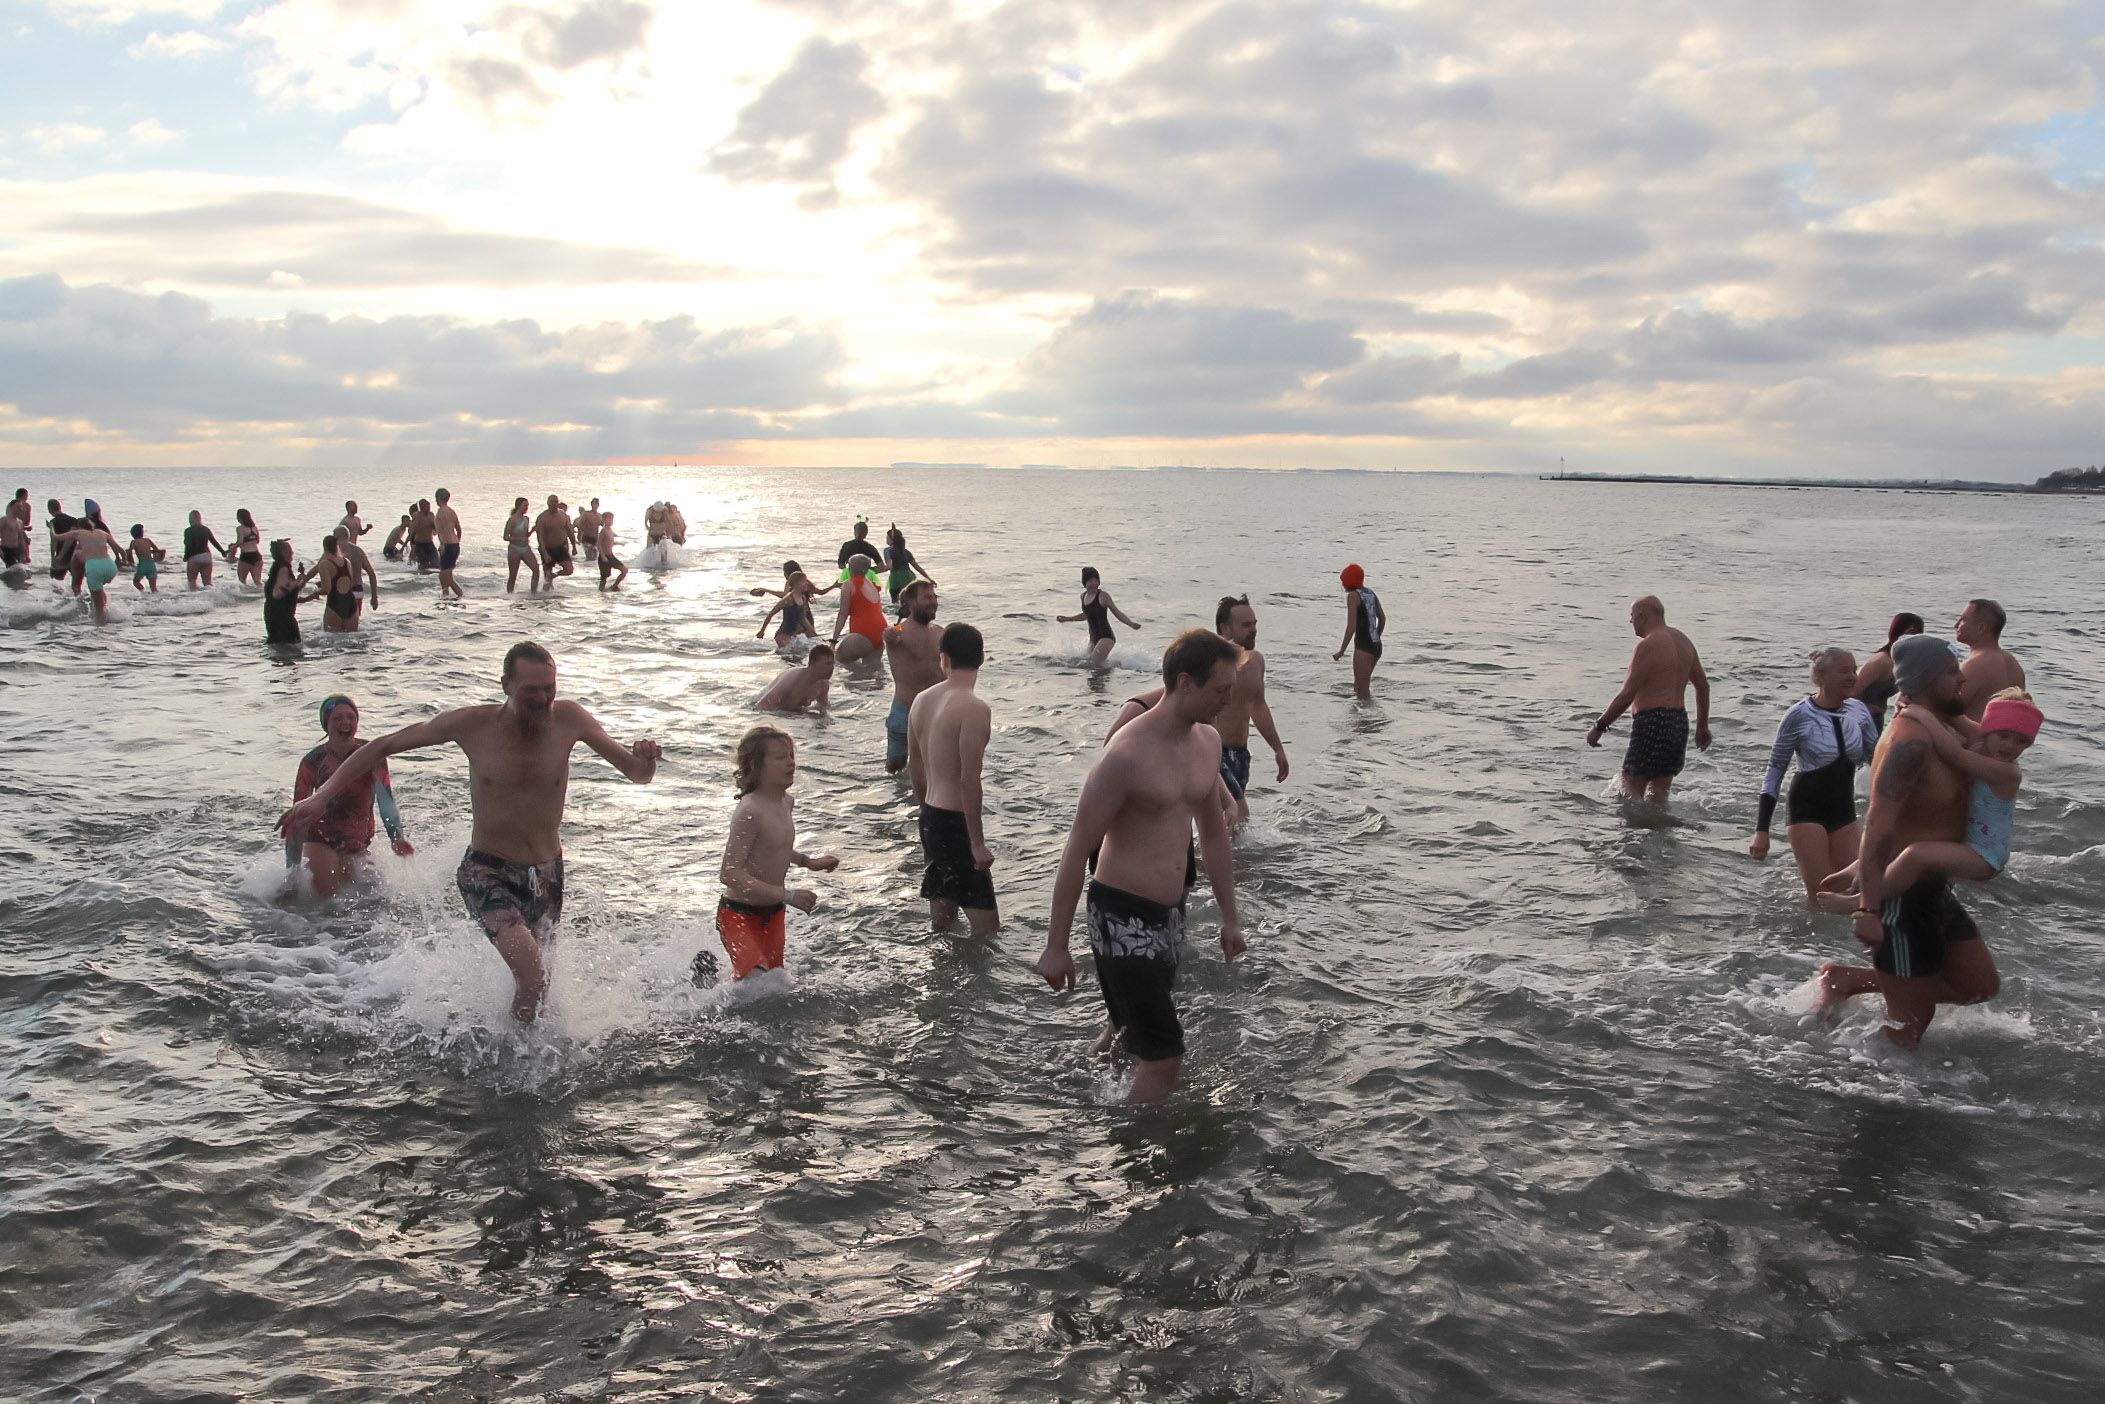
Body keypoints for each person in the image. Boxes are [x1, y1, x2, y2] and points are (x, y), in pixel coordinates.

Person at [277, 642, 662, 1023]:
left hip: (547, 873)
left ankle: (519, 1047)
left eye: (550, 689)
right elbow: (383, 746)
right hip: (486, 872)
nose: (542, 699)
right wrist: (320, 797)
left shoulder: (570, 719)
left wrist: (646, 761)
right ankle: (521, 1064)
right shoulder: (473, 725)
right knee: (534, 976)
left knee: (539, 987)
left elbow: (635, 774)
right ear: (506, 685)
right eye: (531, 691)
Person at [1035, 629, 1246, 1104]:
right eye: (1221, 690)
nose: (1228, 701)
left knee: (1131, 1027)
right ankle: (1136, 1156)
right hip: (1120, 915)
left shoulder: (1207, 743)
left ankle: (1083, 1083)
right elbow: (1076, 850)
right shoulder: (1126, 755)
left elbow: (1212, 836)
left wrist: (1230, 920)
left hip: (1170, 915)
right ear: (1186, 683)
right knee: (1164, 1057)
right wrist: (1056, 946)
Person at [1814, 635, 2002, 1047]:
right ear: (1927, 679)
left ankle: (1848, 979)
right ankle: (1872, 1097)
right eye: (1952, 672)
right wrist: (1867, 909)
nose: (1962, 680)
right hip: (1902, 899)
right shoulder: (1911, 742)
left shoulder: (1940, 729)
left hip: (1933, 887)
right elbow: (1879, 823)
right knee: (1909, 1025)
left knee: (1978, 985)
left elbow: (1989, 743)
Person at [1748, 648, 1879, 902]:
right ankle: (1813, 943)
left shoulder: (1859, 711)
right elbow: (1775, 770)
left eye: (1854, 670)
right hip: (1806, 810)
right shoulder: (1798, 716)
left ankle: (1849, 942)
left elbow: (1877, 756)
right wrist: (1761, 830)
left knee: (1855, 890)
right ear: (1820, 674)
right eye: (1844, 671)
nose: (1852, 676)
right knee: (1822, 895)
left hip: (1843, 809)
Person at [713, 726, 838, 982]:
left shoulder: (785, 802)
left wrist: (808, 862)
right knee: (757, 986)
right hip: (738, 913)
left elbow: (773, 846)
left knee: (774, 984)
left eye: (791, 755)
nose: (790, 762)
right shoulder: (749, 810)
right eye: (780, 757)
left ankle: (709, 976)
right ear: (756, 765)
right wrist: (788, 895)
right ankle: (703, 983)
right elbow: (729, 873)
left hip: (773, 913)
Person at [908, 623, 997, 937]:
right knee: (988, 932)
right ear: (982, 658)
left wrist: (926, 815)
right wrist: (977, 843)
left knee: (942, 925)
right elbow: (968, 780)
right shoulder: (974, 709)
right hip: (956, 825)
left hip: (930, 817)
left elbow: (913, 765)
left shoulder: (921, 700)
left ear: (942, 658)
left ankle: (939, 979)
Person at [285, 695, 413, 898]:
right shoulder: (312, 761)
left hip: (357, 845)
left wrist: (396, 838)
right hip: (321, 841)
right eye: (338, 718)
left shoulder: (372, 755)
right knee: (330, 905)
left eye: (351, 717)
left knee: (373, 901)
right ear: (326, 724)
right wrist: (291, 875)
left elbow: (386, 801)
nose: (345, 723)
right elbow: (297, 818)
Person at [1586, 595, 1712, 801]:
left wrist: (1599, 727)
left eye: (1632, 616)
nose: (1630, 621)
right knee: (1658, 796)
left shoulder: (1648, 646)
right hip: (1678, 724)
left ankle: (1632, 832)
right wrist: (1702, 727)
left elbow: (1627, 695)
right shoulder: (1684, 642)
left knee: (1628, 794)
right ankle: (1662, 831)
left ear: (1642, 617)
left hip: (1652, 722)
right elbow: (1703, 687)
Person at [1212, 595, 1289, 822]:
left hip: (1241, 755)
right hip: (1214, 751)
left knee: (1229, 823)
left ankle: (1207, 856)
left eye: (1255, 624)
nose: (1253, 630)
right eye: (1246, 625)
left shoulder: (1256, 661)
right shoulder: (1210, 661)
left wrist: (1278, 749)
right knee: (1239, 815)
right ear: (1225, 629)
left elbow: (1258, 707)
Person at [884, 580, 943, 773]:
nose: (933, 601)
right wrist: (889, 635)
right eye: (927, 597)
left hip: (935, 714)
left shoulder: (940, 633)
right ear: (910, 603)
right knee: (895, 767)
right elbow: (890, 633)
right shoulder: (899, 632)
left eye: (934, 597)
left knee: (934, 767)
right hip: (904, 712)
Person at [1851, 612, 1924, 734]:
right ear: (1897, 632)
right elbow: (1852, 692)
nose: (1913, 638)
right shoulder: (1882, 661)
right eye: (1910, 633)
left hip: (1876, 720)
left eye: (1918, 634)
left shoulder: (1902, 662)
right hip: (1861, 721)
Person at [1955, 599, 2024, 720]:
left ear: (1981, 628)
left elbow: (1946, 711)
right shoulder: (2014, 664)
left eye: (1963, 620)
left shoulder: (1974, 665)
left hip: (1973, 737)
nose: (1956, 624)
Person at [1058, 567, 1140, 667]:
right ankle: (1117, 666)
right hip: (1093, 638)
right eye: (1090, 581)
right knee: (1090, 665)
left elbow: (1116, 612)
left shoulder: (1103, 596)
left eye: (1096, 581)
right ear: (1084, 583)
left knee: (1092, 664)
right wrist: (1067, 619)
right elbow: (1086, 615)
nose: (1094, 584)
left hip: (1106, 636)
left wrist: (1130, 624)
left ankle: (1123, 666)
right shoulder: (1083, 596)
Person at [52, 516, 124, 622]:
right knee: (100, 594)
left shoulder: (79, 533)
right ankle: (108, 615)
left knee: (99, 608)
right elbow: (121, 551)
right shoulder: (103, 533)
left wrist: (51, 528)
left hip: (94, 567)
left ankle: (100, 630)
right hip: (110, 567)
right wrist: (120, 559)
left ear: (80, 526)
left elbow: (56, 537)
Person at [1333, 564, 1386, 699]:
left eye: (1343, 581)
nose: (1342, 584)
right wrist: (1376, 637)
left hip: (1363, 647)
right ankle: (1363, 719)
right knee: (1359, 688)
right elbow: (1382, 618)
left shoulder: (1353, 596)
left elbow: (1351, 627)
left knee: (1362, 693)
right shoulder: (1370, 593)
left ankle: (1369, 718)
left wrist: (1342, 651)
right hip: (1376, 646)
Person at [830, 555, 888, 662]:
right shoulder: (871, 584)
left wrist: (833, 641)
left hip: (863, 634)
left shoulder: (848, 585)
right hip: (881, 632)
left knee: (836, 662)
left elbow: (843, 614)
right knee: (872, 669)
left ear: (850, 568)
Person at [263, 539, 314, 644]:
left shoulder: (277, 567)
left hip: (276, 613)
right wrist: (295, 583)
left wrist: (300, 582)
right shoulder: (283, 569)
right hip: (281, 616)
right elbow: (277, 594)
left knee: (280, 646)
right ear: (283, 553)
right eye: (290, 550)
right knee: (289, 646)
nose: (292, 553)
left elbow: (287, 593)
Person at [756, 644, 836, 711]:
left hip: (792, 713)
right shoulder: (792, 678)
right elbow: (761, 707)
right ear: (812, 663)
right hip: (770, 707)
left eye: (833, 664)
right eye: (827, 664)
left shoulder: (823, 684)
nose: (832, 668)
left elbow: (823, 707)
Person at [757, 570, 820, 647]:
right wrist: (762, 631)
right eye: (804, 581)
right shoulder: (788, 599)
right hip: (783, 635)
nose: (807, 583)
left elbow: (803, 618)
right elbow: (771, 614)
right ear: (796, 584)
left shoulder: (803, 598)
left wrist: (815, 634)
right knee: (789, 655)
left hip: (793, 635)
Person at [335, 525, 380, 620]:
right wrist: (374, 597)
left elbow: (317, 568)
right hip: (358, 591)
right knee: (355, 622)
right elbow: (371, 573)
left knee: (338, 625)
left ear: (336, 537)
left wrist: (303, 581)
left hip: (341, 593)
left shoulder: (335, 550)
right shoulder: (358, 551)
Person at [882, 525, 936, 604]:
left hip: (896, 579)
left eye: (887, 537)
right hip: (909, 579)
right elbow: (917, 567)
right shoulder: (906, 552)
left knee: (896, 604)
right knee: (911, 603)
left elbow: (889, 566)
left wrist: (873, 570)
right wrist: (928, 578)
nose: (886, 539)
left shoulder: (888, 551)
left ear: (891, 539)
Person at [317, 535, 360, 633]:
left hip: (335, 603)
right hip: (351, 603)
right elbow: (350, 583)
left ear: (325, 548)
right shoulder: (347, 561)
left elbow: (326, 589)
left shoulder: (324, 564)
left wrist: (314, 594)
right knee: (352, 640)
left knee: (332, 641)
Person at [533, 495, 574, 587]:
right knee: (547, 578)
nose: (554, 504)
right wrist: (545, 553)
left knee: (569, 569)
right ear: (548, 503)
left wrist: (574, 546)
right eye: (552, 502)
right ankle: (545, 599)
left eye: (556, 502)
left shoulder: (563, 515)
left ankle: (555, 575)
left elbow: (569, 531)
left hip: (560, 548)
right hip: (547, 549)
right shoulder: (542, 518)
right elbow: (540, 537)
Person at [503, 497, 540, 593]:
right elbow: (505, 537)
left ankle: (533, 593)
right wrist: (518, 539)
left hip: (525, 548)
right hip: (514, 549)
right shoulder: (512, 520)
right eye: (525, 505)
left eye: (527, 505)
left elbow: (525, 535)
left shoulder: (526, 519)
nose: (527, 507)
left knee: (536, 569)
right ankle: (509, 595)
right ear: (519, 506)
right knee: (513, 575)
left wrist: (532, 530)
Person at [181, 510, 226, 590]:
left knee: (192, 582)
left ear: (191, 519)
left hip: (194, 557)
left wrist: (186, 557)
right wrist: (222, 552)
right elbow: (214, 542)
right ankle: (211, 598)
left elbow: (189, 545)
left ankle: (195, 600)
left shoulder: (188, 531)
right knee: (208, 583)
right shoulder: (206, 529)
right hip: (207, 557)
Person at [434, 488, 464, 599]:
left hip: (447, 545)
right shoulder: (452, 512)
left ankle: (460, 594)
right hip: (455, 544)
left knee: (444, 575)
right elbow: (459, 530)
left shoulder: (440, 512)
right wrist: (457, 542)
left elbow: (440, 531)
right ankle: (445, 595)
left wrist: (442, 545)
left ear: (439, 499)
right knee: (445, 574)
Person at [232, 508, 265, 586]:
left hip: (246, 556)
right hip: (257, 556)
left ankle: (243, 597)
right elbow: (257, 541)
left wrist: (232, 548)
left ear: (240, 518)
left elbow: (240, 542)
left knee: (242, 581)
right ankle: (262, 596)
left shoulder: (240, 528)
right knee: (258, 582)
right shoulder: (254, 528)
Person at [596, 511, 628, 591]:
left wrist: (619, 543)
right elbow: (598, 544)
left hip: (611, 556)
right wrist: (603, 556)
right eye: (609, 519)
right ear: (603, 520)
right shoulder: (603, 531)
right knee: (604, 578)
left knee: (624, 570)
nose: (610, 521)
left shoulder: (610, 530)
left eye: (612, 519)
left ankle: (614, 586)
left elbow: (609, 542)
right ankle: (600, 595)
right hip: (604, 557)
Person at [126, 524, 163, 593]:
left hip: (142, 564)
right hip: (151, 565)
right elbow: (156, 550)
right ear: (142, 533)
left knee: (136, 582)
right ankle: (157, 598)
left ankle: (143, 592)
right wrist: (149, 551)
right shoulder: (148, 540)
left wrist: (128, 560)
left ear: (133, 535)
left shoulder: (134, 542)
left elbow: (129, 552)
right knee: (153, 588)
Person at [407, 499, 439, 573]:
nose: (429, 509)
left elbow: (435, 528)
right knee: (423, 565)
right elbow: (414, 530)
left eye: (429, 507)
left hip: (429, 543)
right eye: (427, 507)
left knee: (436, 563)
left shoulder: (431, 515)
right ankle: (422, 579)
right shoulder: (416, 516)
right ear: (421, 507)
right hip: (419, 544)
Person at [1, 505, 28, 570]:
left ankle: (8, 578)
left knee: (18, 568)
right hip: (5, 548)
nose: (20, 509)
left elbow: (21, 539)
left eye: (21, 507)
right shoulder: (4, 520)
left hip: (16, 549)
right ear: (11, 508)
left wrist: (25, 553)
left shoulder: (20, 522)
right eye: (18, 506)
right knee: (15, 567)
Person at [577, 498, 603, 563]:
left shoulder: (600, 516)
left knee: (594, 559)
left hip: (595, 539)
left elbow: (604, 527)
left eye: (596, 504)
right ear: (591, 504)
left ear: (598, 505)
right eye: (593, 503)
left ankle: (589, 569)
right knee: (590, 557)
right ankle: (585, 569)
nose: (595, 505)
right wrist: (583, 533)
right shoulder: (586, 514)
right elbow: (580, 524)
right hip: (586, 538)